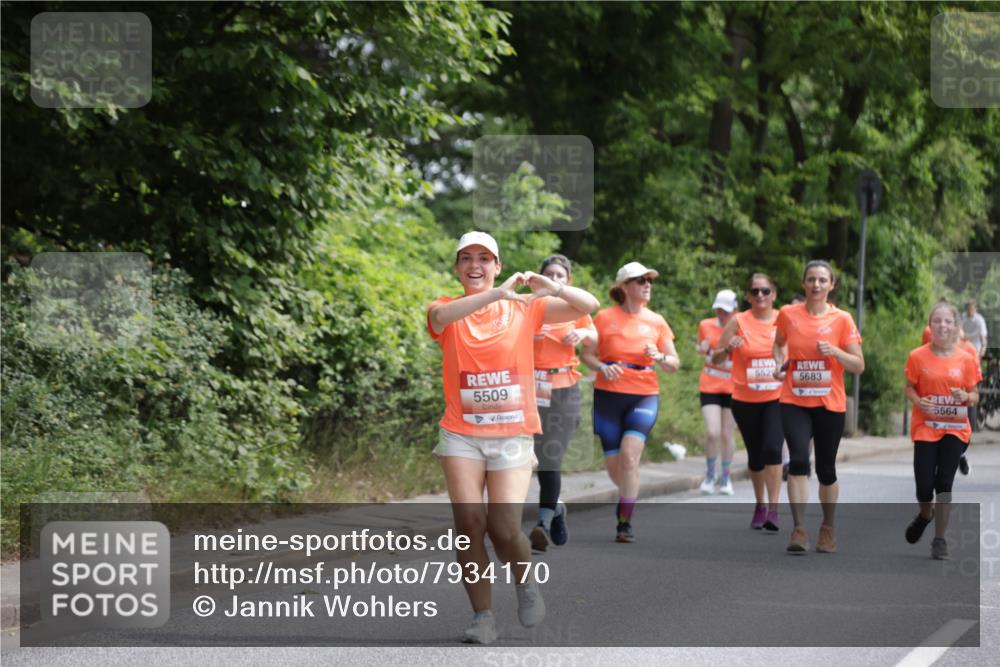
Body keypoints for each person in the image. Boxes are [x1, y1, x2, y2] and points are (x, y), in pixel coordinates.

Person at [427, 232, 599, 643]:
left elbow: (589, 306)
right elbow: (440, 321)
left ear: (498, 266)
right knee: (468, 525)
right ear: (456, 267)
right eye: (466, 258)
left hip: (511, 434)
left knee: (504, 529)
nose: (475, 266)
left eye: (484, 259)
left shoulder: (529, 308)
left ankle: (525, 584)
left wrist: (551, 286)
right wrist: (497, 296)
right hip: (461, 433)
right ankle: (483, 618)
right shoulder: (445, 309)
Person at [580, 262, 680, 543]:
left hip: (644, 394)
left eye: (649, 280)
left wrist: (659, 357)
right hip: (608, 397)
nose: (647, 285)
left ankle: (624, 522)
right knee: (617, 467)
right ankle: (629, 492)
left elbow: (674, 363)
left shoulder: (656, 321)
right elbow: (586, 354)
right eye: (640, 280)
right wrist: (601, 366)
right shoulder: (603, 317)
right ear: (624, 286)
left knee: (630, 454)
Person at [772, 260, 864, 554]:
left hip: (829, 403)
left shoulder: (843, 320)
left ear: (831, 285)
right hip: (794, 400)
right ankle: (799, 529)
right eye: (811, 279)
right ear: (804, 284)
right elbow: (778, 343)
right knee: (798, 460)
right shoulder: (788, 314)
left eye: (822, 280)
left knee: (826, 469)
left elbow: (858, 365)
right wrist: (778, 362)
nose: (816, 285)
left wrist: (835, 351)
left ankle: (828, 526)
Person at [904, 301, 981, 560]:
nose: (942, 326)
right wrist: (918, 401)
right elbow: (909, 387)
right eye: (937, 321)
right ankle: (926, 514)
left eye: (948, 321)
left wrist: (966, 395)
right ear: (930, 325)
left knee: (944, 483)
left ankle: (940, 540)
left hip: (955, 429)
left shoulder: (967, 359)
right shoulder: (917, 356)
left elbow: (975, 395)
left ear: (956, 326)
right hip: (926, 427)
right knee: (924, 487)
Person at [529, 254, 596, 552]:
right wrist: (530, 336)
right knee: (530, 457)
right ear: (540, 278)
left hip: (564, 389)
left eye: (560, 275)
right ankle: (556, 508)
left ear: (567, 280)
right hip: (529, 388)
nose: (555, 279)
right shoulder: (528, 306)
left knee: (551, 457)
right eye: (550, 274)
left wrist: (583, 332)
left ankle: (542, 523)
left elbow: (594, 338)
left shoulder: (574, 308)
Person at [714, 274, 783, 530]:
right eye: (755, 292)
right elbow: (716, 359)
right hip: (745, 399)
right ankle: (760, 504)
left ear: (773, 294)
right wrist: (727, 349)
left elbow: (796, 349)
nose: (760, 296)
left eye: (765, 291)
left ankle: (774, 510)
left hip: (776, 397)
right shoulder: (737, 321)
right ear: (748, 296)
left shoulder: (783, 319)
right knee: (755, 455)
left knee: (773, 450)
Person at [697, 289, 739, 495]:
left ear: (734, 310)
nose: (722, 314)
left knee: (726, 433)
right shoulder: (705, 325)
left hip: (733, 387)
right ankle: (710, 475)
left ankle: (726, 477)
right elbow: (701, 348)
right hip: (710, 384)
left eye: (726, 311)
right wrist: (702, 348)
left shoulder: (741, 327)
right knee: (713, 432)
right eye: (719, 310)